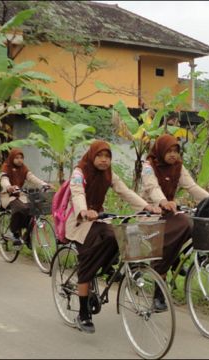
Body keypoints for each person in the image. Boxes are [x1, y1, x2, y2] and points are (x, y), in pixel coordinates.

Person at [65, 140, 160, 334]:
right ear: (92, 155)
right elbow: (77, 193)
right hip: (79, 221)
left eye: (107, 157)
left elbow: (125, 191)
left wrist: (146, 207)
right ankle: (83, 313)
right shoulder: (79, 172)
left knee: (117, 234)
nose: (103, 160)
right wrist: (84, 211)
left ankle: (107, 265)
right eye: (100, 156)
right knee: (88, 262)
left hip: (99, 219)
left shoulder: (109, 174)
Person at [140, 134, 209, 311]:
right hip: (150, 213)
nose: (172, 155)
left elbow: (191, 187)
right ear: (161, 151)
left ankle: (175, 260)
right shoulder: (149, 166)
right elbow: (152, 188)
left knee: (190, 224)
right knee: (165, 246)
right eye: (169, 151)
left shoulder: (178, 167)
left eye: (176, 151)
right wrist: (163, 201)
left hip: (169, 211)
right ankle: (158, 295)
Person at [0, 148, 51, 247]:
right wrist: (8, 187)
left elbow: (32, 178)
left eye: (21, 158)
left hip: (20, 195)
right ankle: (12, 231)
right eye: (17, 158)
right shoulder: (6, 166)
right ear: (11, 158)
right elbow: (4, 179)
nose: (20, 160)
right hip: (8, 195)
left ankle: (27, 237)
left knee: (32, 211)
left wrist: (44, 184)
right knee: (20, 208)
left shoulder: (23, 168)